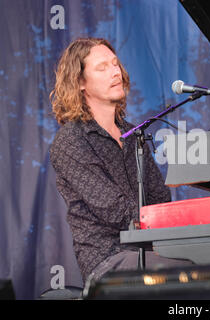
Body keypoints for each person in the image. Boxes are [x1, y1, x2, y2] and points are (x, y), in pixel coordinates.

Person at [49, 37, 191, 284]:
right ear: (80, 82)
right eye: (102, 67)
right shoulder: (71, 140)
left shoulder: (133, 132)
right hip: (107, 259)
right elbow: (114, 211)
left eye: (115, 64)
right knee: (191, 269)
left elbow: (159, 197)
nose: (115, 72)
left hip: (150, 249)